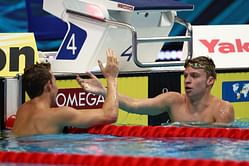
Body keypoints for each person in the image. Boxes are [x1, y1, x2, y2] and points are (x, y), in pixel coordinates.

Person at [77, 56, 234, 125]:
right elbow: (134, 104)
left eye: (194, 76)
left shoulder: (222, 110)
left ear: (210, 81)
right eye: (185, 75)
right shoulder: (173, 101)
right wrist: (105, 91)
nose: (187, 80)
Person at [12, 49, 119, 136]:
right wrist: (111, 78)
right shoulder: (59, 114)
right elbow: (109, 115)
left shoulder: (22, 110)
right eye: (55, 81)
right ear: (49, 85)